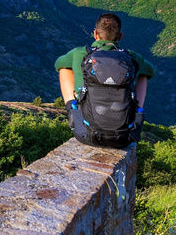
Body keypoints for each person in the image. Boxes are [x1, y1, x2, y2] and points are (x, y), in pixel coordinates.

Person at [55, 13, 155, 146]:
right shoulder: (131, 57)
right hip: (124, 137)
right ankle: (138, 112)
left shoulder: (80, 53)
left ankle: (72, 111)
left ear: (95, 34)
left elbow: (58, 64)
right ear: (120, 37)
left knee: (64, 69)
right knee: (143, 74)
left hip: (86, 134)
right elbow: (151, 71)